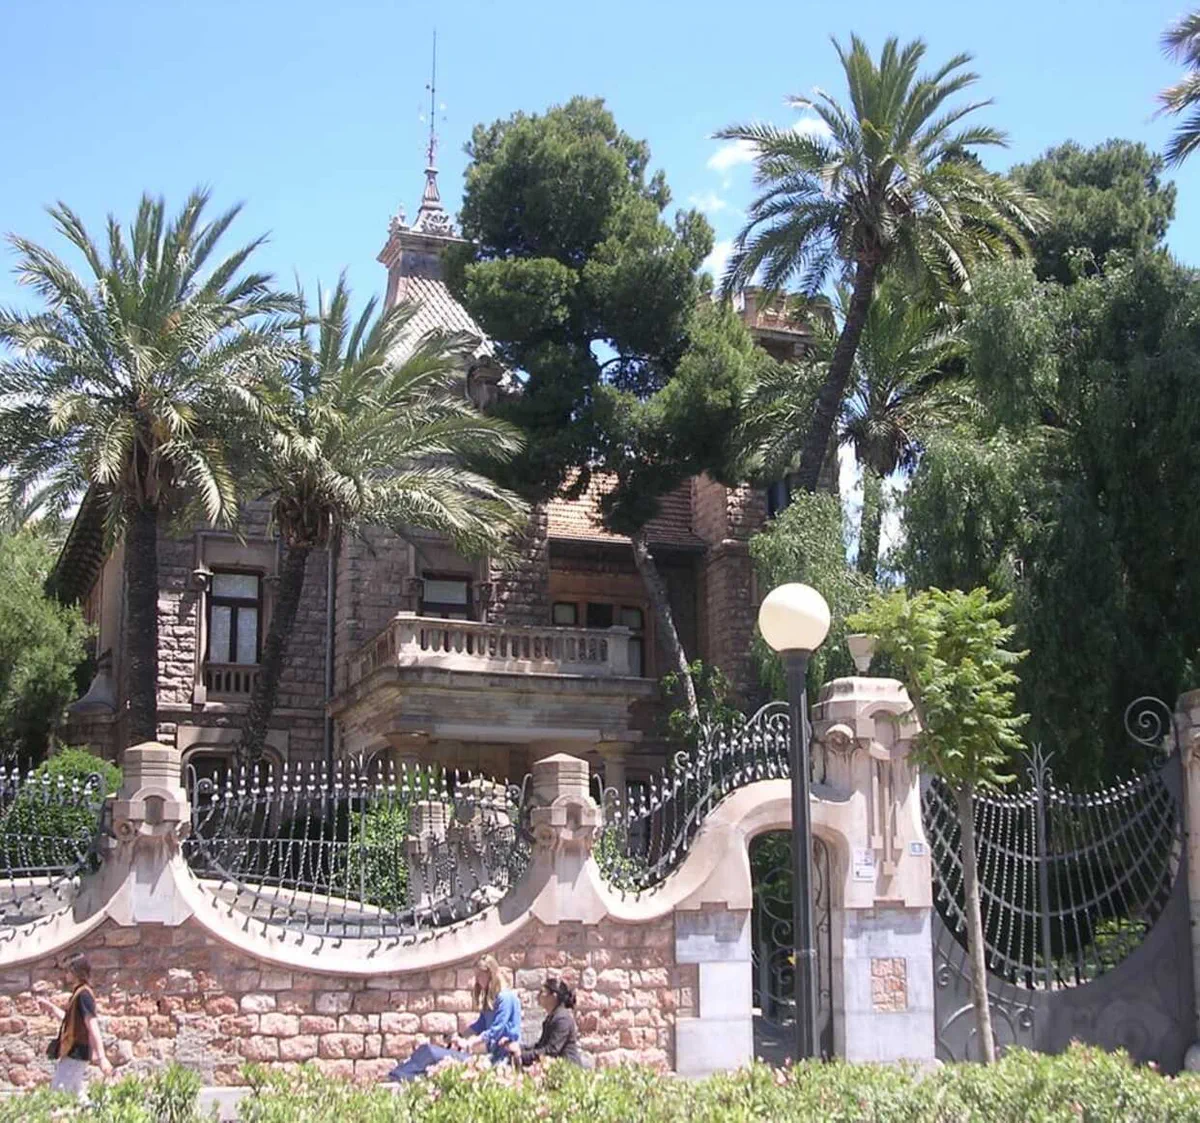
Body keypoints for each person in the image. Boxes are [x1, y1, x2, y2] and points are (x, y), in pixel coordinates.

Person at [388, 953, 522, 1082]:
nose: (478, 980)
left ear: (490, 974)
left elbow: (496, 1030)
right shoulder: (491, 999)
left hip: (503, 1058)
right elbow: (480, 1025)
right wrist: (460, 1037)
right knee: (427, 1050)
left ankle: (404, 1076)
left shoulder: (505, 998)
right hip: (492, 1056)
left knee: (432, 1054)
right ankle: (400, 1074)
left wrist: (470, 1043)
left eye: (480, 976)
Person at [37, 954, 112, 1097]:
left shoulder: (83, 995)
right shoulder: (78, 994)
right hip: (74, 1051)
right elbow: (71, 1021)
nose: (66, 974)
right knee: (74, 1092)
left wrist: (102, 1057)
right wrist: (51, 1008)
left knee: (59, 1091)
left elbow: (92, 1025)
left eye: (68, 971)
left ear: (76, 971)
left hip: (76, 1052)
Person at [508, 977, 583, 1067]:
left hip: (567, 1069)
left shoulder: (562, 1019)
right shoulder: (553, 1017)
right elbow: (541, 1046)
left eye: (542, 992)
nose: (538, 995)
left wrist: (522, 1055)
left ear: (554, 996)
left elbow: (551, 1050)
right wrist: (519, 1048)